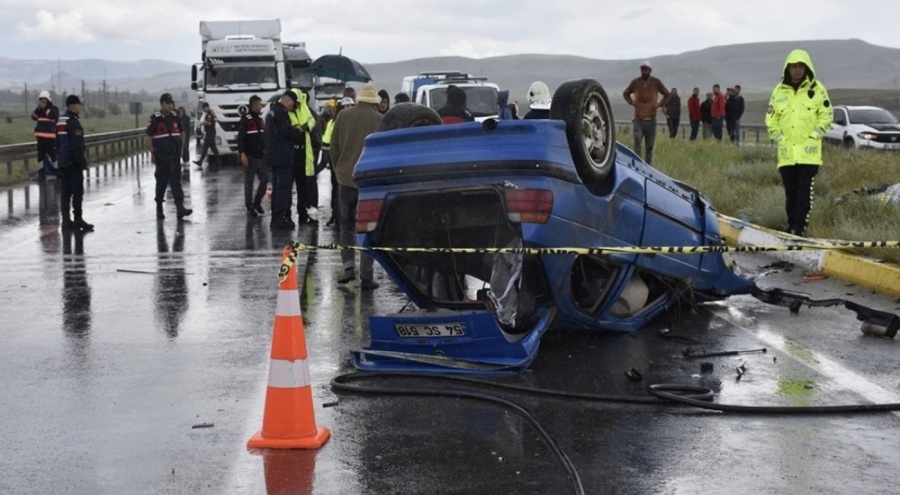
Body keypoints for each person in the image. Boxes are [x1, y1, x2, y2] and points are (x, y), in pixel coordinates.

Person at [765, 49, 832, 237]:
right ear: (788, 68)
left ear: (806, 67)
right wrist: (779, 137)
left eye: (801, 66)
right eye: (793, 66)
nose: (797, 70)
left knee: (804, 193)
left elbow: (827, 115)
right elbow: (771, 118)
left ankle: (800, 227)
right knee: (791, 193)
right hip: (787, 154)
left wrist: (815, 134)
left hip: (808, 154)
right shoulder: (779, 91)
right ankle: (791, 226)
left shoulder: (817, 89)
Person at [330, 82, 383, 289]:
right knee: (367, 228)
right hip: (368, 183)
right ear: (374, 102)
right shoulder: (379, 120)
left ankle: (348, 268)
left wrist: (339, 169)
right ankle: (366, 276)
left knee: (346, 225)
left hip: (345, 180)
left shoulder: (343, 115)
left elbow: (333, 148)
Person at [146, 93, 192, 220]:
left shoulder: (175, 117)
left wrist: (182, 148)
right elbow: (148, 136)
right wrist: (152, 153)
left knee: (176, 182)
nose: (170, 105)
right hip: (162, 157)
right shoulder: (155, 118)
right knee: (161, 183)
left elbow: (182, 132)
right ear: (162, 104)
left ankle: (180, 208)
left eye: (171, 103)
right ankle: (159, 208)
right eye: (167, 103)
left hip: (174, 156)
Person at [265, 91, 304, 230]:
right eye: (293, 105)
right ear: (288, 101)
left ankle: (275, 218)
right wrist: (298, 132)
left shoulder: (271, 112)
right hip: (282, 156)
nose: (292, 108)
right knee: (283, 187)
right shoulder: (281, 113)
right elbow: (285, 132)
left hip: (274, 156)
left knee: (277, 187)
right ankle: (280, 218)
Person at [56, 95, 93, 231]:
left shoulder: (60, 121)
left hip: (63, 162)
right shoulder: (73, 122)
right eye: (79, 105)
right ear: (73, 106)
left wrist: (59, 162)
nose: (80, 107)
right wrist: (82, 162)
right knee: (77, 192)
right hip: (73, 163)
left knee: (65, 193)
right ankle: (78, 220)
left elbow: (57, 143)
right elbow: (76, 145)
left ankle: (66, 221)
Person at [622, 61, 670, 164]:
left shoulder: (656, 82)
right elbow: (625, 93)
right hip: (638, 119)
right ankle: (638, 166)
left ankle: (648, 167)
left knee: (649, 147)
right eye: (642, 69)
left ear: (650, 71)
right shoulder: (635, 82)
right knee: (637, 145)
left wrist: (660, 104)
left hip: (651, 119)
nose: (643, 72)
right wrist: (631, 102)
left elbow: (667, 94)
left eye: (645, 70)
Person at [288, 88, 318, 225]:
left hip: (304, 154)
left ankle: (303, 213)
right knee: (289, 187)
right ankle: (288, 214)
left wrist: (304, 127)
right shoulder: (286, 111)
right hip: (292, 153)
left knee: (303, 187)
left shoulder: (305, 110)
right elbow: (293, 127)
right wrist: (300, 127)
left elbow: (312, 122)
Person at [237, 95, 267, 217]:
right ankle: (249, 206)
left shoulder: (260, 119)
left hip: (261, 155)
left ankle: (257, 202)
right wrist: (242, 153)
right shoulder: (246, 119)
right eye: (259, 104)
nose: (261, 106)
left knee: (264, 180)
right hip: (250, 156)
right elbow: (240, 138)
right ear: (253, 105)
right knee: (249, 182)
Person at [31, 90, 59, 181]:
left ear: (48, 100)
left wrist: (45, 108)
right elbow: (33, 117)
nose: (42, 102)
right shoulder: (39, 110)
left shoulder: (53, 109)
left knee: (53, 157)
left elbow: (52, 116)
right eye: (41, 100)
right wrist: (39, 108)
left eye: (44, 100)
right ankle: (41, 175)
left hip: (50, 139)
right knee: (40, 158)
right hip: (40, 139)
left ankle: (58, 172)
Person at [193, 102, 219, 169]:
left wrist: (205, 123)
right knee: (210, 147)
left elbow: (211, 123)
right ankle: (216, 162)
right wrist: (203, 122)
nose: (204, 110)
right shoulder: (206, 114)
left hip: (211, 132)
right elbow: (201, 122)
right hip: (208, 132)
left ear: (207, 107)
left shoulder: (210, 113)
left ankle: (202, 161)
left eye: (204, 108)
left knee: (208, 147)